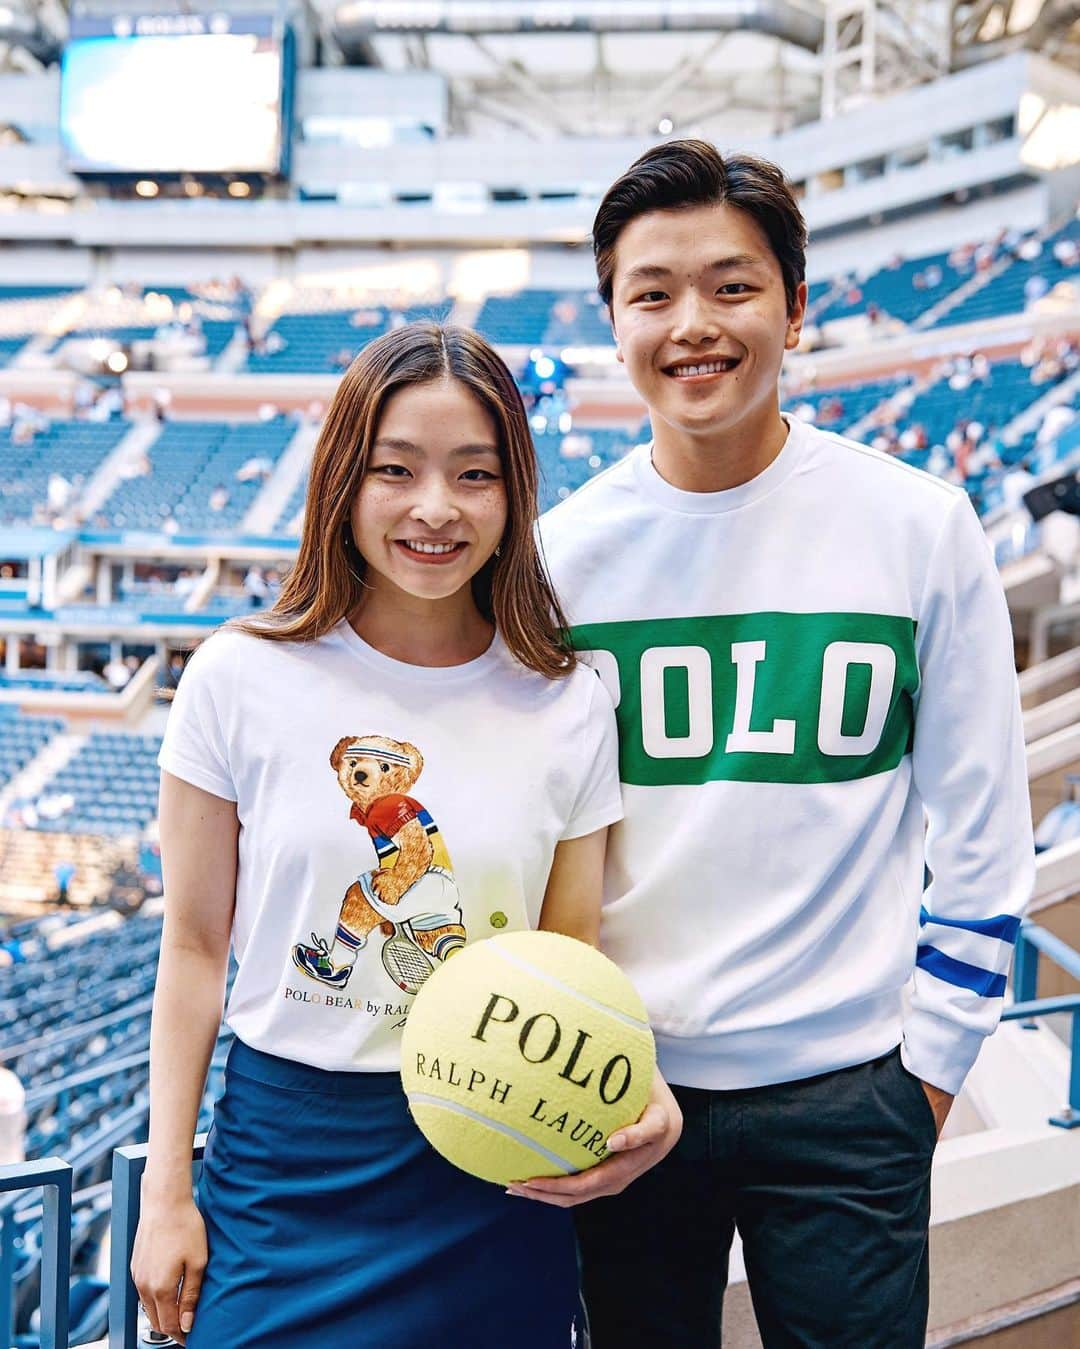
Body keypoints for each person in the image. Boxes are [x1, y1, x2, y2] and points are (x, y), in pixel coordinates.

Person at [534, 141, 1034, 1347]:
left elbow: (983, 823)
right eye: (652, 293)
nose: (692, 323)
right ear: (615, 322)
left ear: (795, 309)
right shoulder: (558, 561)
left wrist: (924, 1076)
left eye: (732, 284)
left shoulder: (919, 526)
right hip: (627, 1086)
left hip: (854, 1091)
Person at [131, 322, 681, 1349]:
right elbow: (196, 949)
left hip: (491, 1152)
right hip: (283, 1157)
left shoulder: (567, 701)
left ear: (514, 493)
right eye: (397, 469)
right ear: (344, 478)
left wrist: (643, 1089)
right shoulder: (235, 675)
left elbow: (567, 962)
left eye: (474, 473)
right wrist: (168, 1187)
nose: (436, 507)